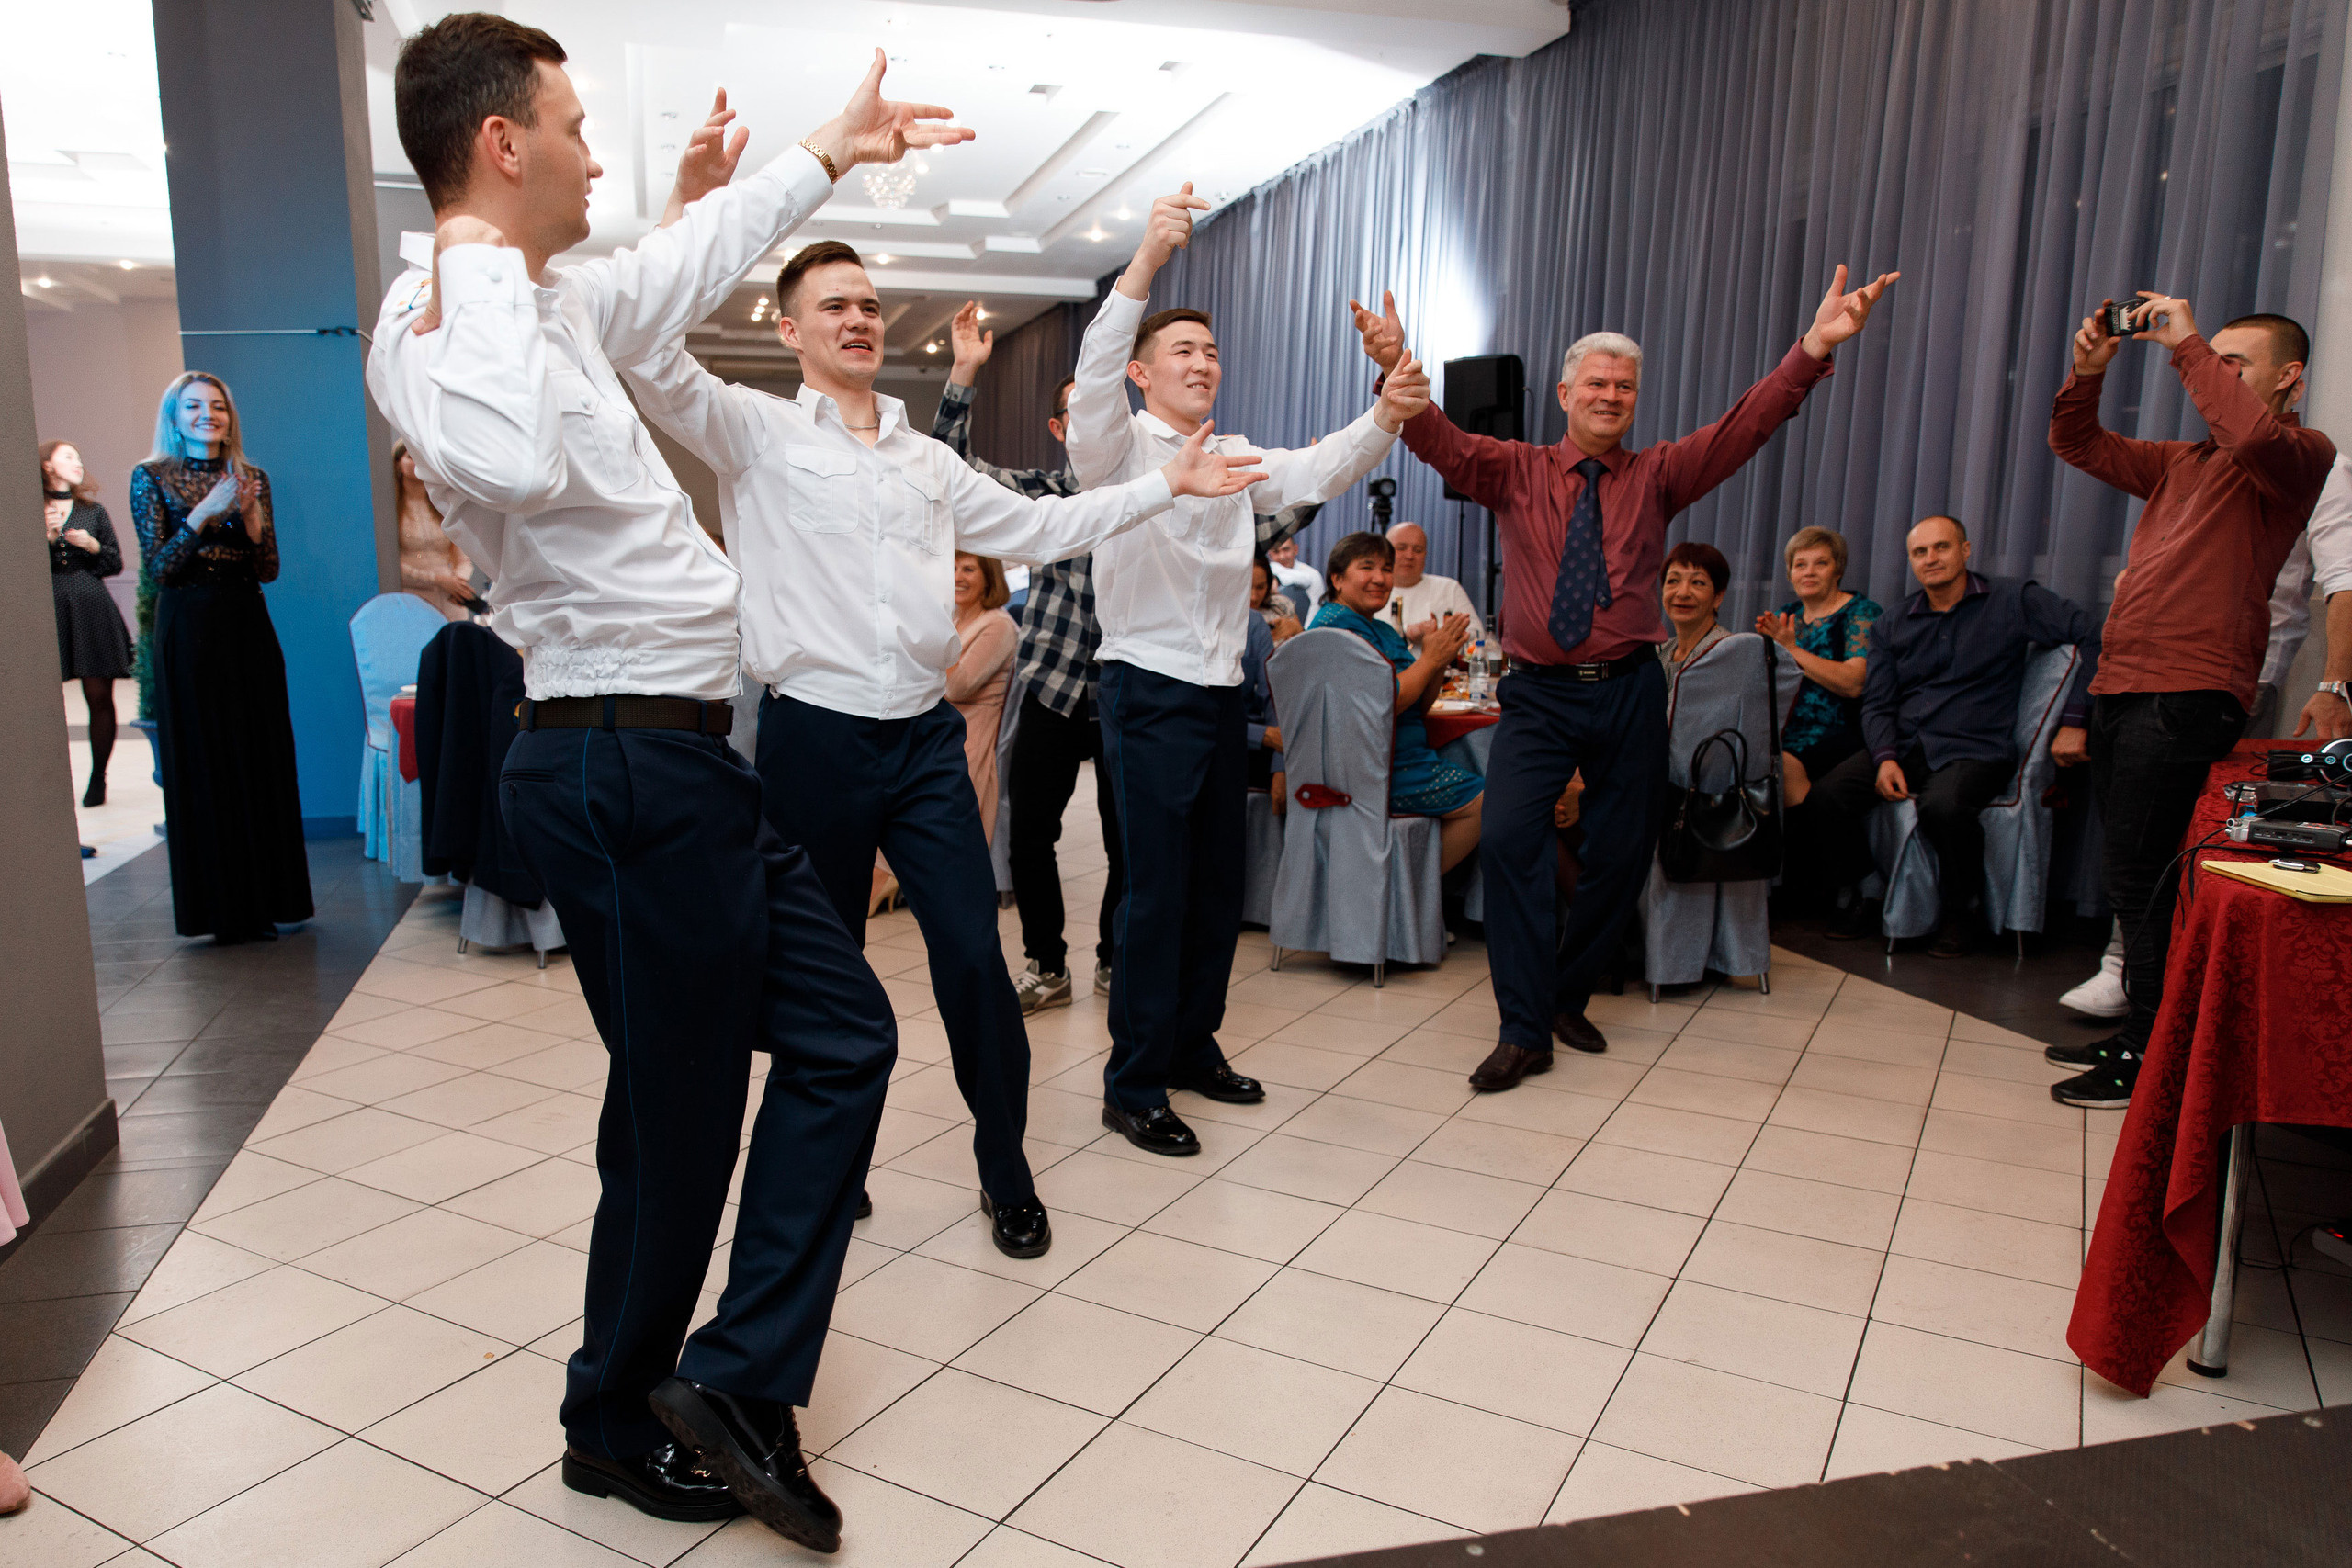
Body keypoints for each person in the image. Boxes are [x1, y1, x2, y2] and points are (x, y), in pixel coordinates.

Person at [369, 17, 963, 1548]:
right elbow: (496, 457)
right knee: (682, 1113)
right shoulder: (442, 312)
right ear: (502, 144)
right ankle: (620, 1413)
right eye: (569, 124)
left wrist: (828, 149)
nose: (592, 150)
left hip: (683, 759)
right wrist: (478, 266)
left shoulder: (552, 299)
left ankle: (726, 1375)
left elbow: (690, 265)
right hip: (613, 756)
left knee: (839, 1034)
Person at [624, 234, 1263, 1255]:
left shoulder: (927, 461)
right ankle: (830, 1161)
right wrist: (693, 212)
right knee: (815, 969)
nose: (859, 319)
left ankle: (1004, 1169)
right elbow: (649, 355)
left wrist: (1166, 487)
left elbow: (1045, 529)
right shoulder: (751, 432)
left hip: (921, 738)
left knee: (972, 956)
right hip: (812, 736)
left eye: (869, 304)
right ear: (790, 331)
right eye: (834, 306)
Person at [1350, 264, 1897, 1091]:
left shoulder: (1661, 473)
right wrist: (1396, 362)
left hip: (1633, 688)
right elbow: (1437, 438)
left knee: (1619, 853)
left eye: (1626, 386)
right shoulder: (1514, 469)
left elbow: (1746, 426)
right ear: (1566, 390)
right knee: (1507, 841)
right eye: (1597, 382)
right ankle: (1525, 1027)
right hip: (1538, 692)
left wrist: (1815, 346)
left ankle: (1569, 994)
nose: (1611, 395)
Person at [1069, 182, 1430, 1155]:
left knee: (1215, 889)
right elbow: (1098, 363)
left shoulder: (1228, 453)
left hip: (1220, 694)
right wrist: (1145, 263)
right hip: (1142, 692)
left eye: (1212, 351)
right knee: (1153, 894)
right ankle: (1132, 1082)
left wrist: (1388, 414)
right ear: (1143, 375)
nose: (1202, 362)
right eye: (1181, 351)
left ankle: (1192, 1047)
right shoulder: (1112, 452)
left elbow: (1317, 470)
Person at [2046, 295, 2335, 1108]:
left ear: (2290, 379)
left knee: (2144, 879)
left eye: (2236, 362)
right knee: (2136, 875)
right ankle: (2152, 1032)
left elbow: (2248, 431)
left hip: (2190, 686)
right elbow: (2076, 442)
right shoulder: (2182, 460)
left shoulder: (2299, 453)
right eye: (2218, 359)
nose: (2216, 369)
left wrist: (2185, 341)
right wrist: (2087, 373)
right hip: (2126, 682)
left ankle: (2150, 1055)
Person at [929, 310, 1121, 1015]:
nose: (1095, 423)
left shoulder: (1151, 496)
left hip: (1126, 693)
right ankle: (1047, 962)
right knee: (1032, 835)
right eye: (1080, 412)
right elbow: (948, 471)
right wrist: (964, 375)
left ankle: (1113, 959)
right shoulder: (1043, 494)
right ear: (1060, 429)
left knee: (1127, 840)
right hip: (1051, 688)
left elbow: (1268, 519)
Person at [1802, 516, 2099, 957]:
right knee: (1826, 797)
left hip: (1976, 748)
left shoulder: (2013, 599)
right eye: (1920, 552)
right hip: (1905, 746)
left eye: (1941, 548)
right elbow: (1879, 702)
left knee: (1943, 806)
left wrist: (2075, 719)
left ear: (1965, 550)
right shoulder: (1895, 622)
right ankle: (1868, 893)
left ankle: (1964, 910)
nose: (1930, 559)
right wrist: (1884, 757)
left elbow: (2094, 637)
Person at [130, 374, 315, 942]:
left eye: (217, 406)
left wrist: (254, 523)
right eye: (194, 406)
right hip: (188, 629)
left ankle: (270, 900)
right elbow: (160, 568)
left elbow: (268, 569)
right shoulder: (151, 477)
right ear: (175, 416)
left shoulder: (251, 477)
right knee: (206, 760)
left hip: (245, 624)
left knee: (258, 754)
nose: (208, 414)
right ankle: (218, 909)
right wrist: (203, 513)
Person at [1313, 530, 1485, 870]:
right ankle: (1409, 893)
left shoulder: (1381, 629)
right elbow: (1382, 704)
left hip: (1402, 758)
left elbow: (1417, 706)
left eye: (1386, 569)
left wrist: (1439, 659)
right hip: (1374, 769)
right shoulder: (1336, 629)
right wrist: (1429, 660)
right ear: (1337, 579)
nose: (1380, 578)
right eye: (1367, 567)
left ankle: (1408, 893)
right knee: (1489, 803)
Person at [1755, 525, 1879, 807]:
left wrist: (1792, 650)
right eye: (1800, 565)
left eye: (1821, 563)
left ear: (1838, 570)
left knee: (1782, 764)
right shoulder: (1784, 616)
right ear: (1790, 574)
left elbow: (1853, 683)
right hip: (1784, 729)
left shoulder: (1860, 612)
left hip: (1841, 729)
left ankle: (1806, 843)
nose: (1808, 572)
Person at [42, 440, 135, 807]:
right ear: (47, 466)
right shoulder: (30, 509)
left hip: (91, 606)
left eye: (80, 457)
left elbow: (113, 564)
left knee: (100, 697)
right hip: (48, 608)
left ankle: (98, 778)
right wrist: (48, 540)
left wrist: (93, 546)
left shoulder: (92, 511)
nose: (78, 463)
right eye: (68, 457)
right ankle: (49, 783)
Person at [948, 552, 1019, 837]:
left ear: (990, 577)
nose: (957, 577)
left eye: (968, 569)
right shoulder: (954, 619)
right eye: (952, 568)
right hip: (941, 738)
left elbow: (957, 686)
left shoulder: (997, 625)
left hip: (969, 747)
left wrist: (933, 643)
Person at [392, 440, 477, 618]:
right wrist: (439, 581)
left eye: (422, 458)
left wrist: (458, 582)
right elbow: (390, 566)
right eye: (411, 457)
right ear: (398, 464)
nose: (418, 463)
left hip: (451, 599)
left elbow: (464, 555)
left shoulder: (444, 505)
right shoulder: (390, 511)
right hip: (413, 601)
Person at [1385, 520, 1484, 647]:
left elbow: (1477, 634)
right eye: (1401, 548)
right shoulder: (1372, 590)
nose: (1409, 556)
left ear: (1425, 555)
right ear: (1386, 552)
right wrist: (1407, 633)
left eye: (1418, 550)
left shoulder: (1449, 588)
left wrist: (1440, 634)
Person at [1657, 540, 1732, 681]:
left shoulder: (1726, 652)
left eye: (1697, 582)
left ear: (1718, 597)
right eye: (1673, 581)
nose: (1682, 593)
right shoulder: (1658, 653)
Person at [1267, 533, 1324, 615]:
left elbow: (1315, 610)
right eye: (1276, 552)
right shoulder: (1265, 575)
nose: (1282, 557)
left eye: (1286, 550)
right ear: (1270, 555)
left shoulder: (1313, 576)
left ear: (1295, 549)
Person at [1252, 550, 1302, 634]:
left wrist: (1296, 629)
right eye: (1248, 588)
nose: (1254, 597)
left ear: (1268, 585)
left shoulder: (1281, 606)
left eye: (1260, 587)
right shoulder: (1227, 618)